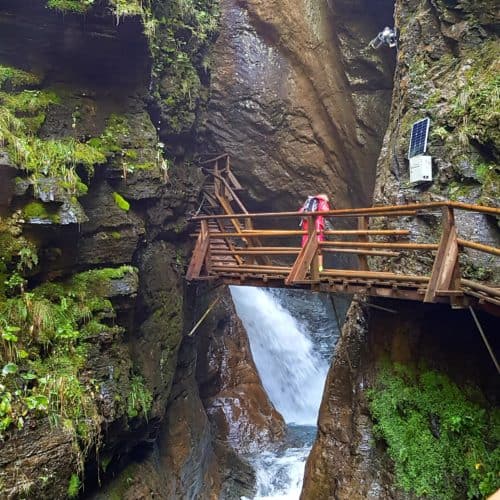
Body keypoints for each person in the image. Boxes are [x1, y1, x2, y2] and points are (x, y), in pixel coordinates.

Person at [299, 194, 331, 272]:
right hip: (316, 226)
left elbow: (301, 211)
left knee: (307, 246)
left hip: (307, 226)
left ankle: (308, 266)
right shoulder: (322, 201)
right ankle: (319, 267)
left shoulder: (309, 201)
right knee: (318, 247)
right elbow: (326, 211)